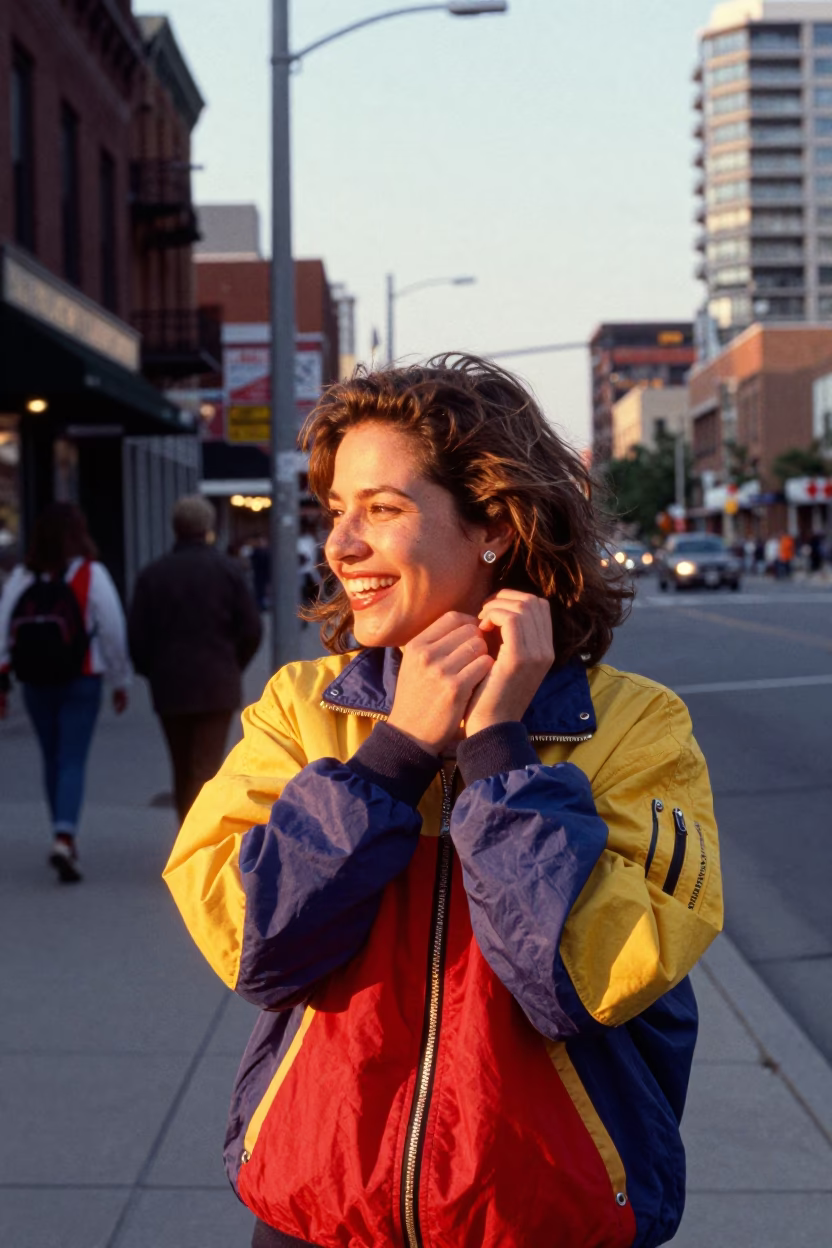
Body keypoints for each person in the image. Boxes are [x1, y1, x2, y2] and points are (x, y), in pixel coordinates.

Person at [163, 356, 723, 1248]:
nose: (340, 546)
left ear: (495, 525)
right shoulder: (301, 710)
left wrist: (500, 750)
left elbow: (583, 981)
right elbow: (256, 945)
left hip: (546, 1221)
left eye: (382, 509)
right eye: (337, 511)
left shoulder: (635, 727)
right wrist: (391, 759)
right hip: (322, 1217)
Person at [0, 502, 130, 882]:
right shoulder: (92, 574)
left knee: (51, 757)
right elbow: (112, 629)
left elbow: (4, 623)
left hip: (35, 680)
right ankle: (64, 836)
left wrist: (3, 675)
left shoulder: (23, 576)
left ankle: (60, 829)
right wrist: (120, 681)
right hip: (82, 677)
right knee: (72, 757)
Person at [127, 495, 262, 823]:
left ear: (176, 528)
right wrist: (233, 664)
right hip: (217, 682)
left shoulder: (153, 575)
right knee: (206, 766)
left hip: (170, 685)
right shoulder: (227, 571)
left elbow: (136, 637)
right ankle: (197, 845)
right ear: (208, 528)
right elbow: (252, 629)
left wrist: (154, 671)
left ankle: (186, 836)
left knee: (181, 764)